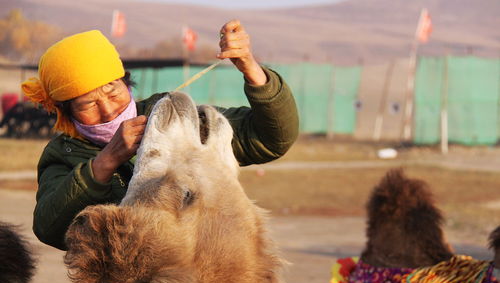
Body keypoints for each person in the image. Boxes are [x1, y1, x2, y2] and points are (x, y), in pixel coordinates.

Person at [21, 20, 299, 251]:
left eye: (112, 91)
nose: (107, 110)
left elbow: (270, 139)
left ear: (126, 83)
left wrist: (251, 69)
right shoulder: (64, 153)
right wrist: (106, 161)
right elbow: (50, 229)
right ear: (65, 111)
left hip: (207, 266)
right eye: (87, 105)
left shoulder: (170, 115)